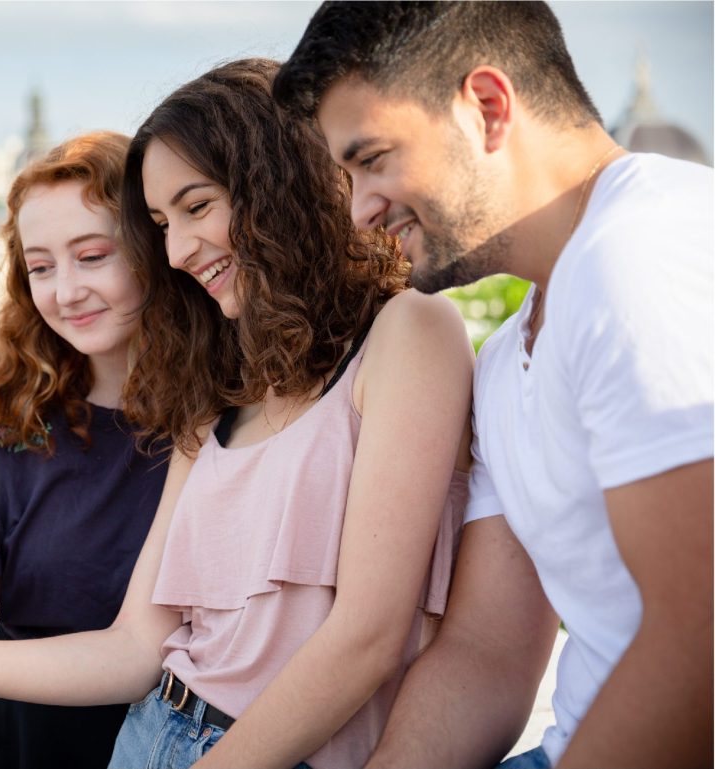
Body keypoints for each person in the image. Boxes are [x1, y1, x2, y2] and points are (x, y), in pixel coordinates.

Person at [0, 59, 474, 769]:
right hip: (151, 732)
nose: (179, 250)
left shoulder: (409, 331)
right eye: (162, 223)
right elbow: (137, 648)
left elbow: (367, 639)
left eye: (196, 207)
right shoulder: (221, 387)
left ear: (278, 182)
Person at [273, 3, 714, 768]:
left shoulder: (641, 258)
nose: (359, 209)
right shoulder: (509, 356)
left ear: (487, 106)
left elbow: (699, 639)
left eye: (371, 159)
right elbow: (485, 650)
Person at [0, 131, 168, 769]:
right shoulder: (5, 405)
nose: (65, 291)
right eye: (42, 267)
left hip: (147, 735)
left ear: (154, 248)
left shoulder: (218, 419)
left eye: (92, 255)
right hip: (4, 728)